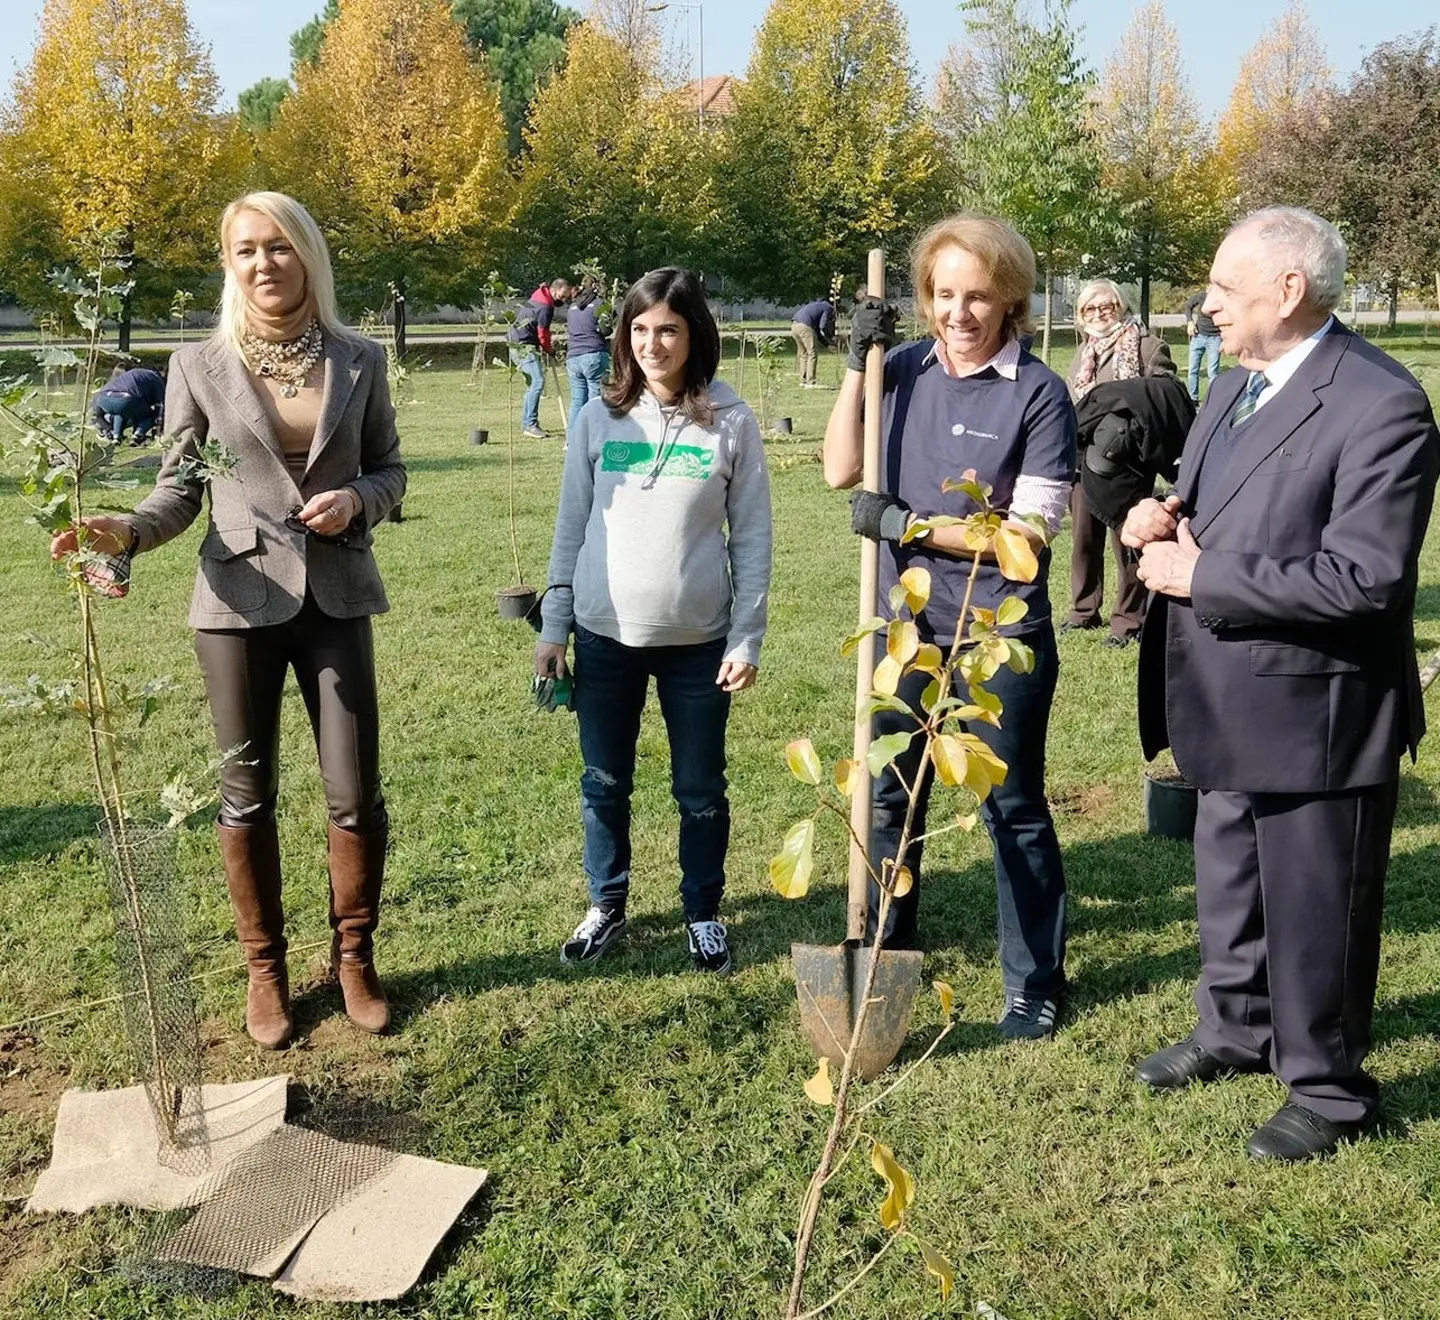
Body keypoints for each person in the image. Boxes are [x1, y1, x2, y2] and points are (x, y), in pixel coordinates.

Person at [51, 191, 407, 1050]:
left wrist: (358, 499)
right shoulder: (198, 366)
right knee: (244, 797)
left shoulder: (359, 358)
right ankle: (266, 972)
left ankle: (352, 960)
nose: (264, 264)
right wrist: (128, 531)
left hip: (336, 599)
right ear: (227, 262)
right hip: (235, 606)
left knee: (354, 795)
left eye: (280, 247)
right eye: (246, 249)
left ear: (308, 255)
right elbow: (180, 488)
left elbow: (392, 471)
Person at [1124, 206, 1439, 1160]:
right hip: (1225, 691)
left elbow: (1367, 580)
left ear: (1289, 291)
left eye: (1224, 287)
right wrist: (1164, 514)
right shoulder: (1234, 380)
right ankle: (1236, 1027)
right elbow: (1216, 495)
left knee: (1316, 905)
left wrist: (1201, 577)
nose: (1207, 304)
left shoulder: (1382, 404)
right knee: (1230, 879)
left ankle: (1330, 1087)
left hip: (1320, 708)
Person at [822, 213, 1075, 1040]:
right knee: (890, 796)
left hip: (998, 631)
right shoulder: (897, 368)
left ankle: (1034, 979)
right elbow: (840, 470)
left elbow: (1026, 543)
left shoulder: (1039, 393)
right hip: (906, 629)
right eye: (942, 294)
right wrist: (857, 372)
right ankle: (890, 943)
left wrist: (911, 527)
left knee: (1011, 805)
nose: (959, 313)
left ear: (1011, 301)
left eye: (978, 296)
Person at [535, 267, 772, 976]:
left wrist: (747, 635)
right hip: (606, 638)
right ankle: (606, 903)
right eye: (638, 329)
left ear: (695, 333)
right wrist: (555, 626)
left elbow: (753, 537)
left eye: (667, 328)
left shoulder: (731, 420)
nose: (652, 343)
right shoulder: (596, 417)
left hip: (699, 647)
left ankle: (703, 912)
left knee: (700, 790)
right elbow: (570, 525)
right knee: (604, 782)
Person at [1063, 278, 1183, 648]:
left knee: (1128, 543)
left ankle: (1128, 620)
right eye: (1089, 309)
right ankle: (1083, 610)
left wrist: (1117, 406)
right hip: (1084, 459)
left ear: (1122, 307)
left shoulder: (1147, 345)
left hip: (1128, 463)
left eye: (1106, 307)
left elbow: (1164, 395)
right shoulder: (1083, 353)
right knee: (1083, 537)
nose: (1098, 315)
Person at [509, 276, 574, 439]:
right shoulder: (545, 307)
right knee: (538, 381)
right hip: (523, 346)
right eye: (562, 295)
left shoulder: (539, 295)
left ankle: (527, 423)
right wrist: (549, 349)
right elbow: (542, 333)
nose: (564, 299)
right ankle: (530, 424)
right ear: (553, 290)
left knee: (533, 384)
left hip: (515, 343)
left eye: (566, 296)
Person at [564, 276, 612, 433]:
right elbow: (606, 329)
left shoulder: (572, 308)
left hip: (573, 357)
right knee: (595, 399)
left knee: (577, 400)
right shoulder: (599, 305)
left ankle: (572, 439)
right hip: (593, 354)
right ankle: (594, 435)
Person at [90, 364, 166, 442]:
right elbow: (160, 407)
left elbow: (97, 414)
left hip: (103, 399)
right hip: (126, 400)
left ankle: (116, 436)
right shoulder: (157, 380)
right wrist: (158, 430)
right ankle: (138, 435)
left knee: (121, 412)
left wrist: (107, 429)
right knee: (151, 415)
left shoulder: (130, 376)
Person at [1184, 287, 1222, 402]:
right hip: (1198, 336)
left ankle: (1211, 400)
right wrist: (1190, 322)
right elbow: (1188, 306)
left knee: (1212, 372)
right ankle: (1193, 398)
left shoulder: (1222, 299)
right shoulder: (1201, 296)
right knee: (1193, 370)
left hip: (1215, 338)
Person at [789, 296, 836, 386]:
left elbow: (817, 331)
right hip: (805, 326)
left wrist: (826, 345)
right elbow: (823, 326)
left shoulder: (817, 306)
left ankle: (803, 380)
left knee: (803, 354)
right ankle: (811, 381)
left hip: (794, 326)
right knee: (812, 354)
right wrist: (830, 337)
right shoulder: (829, 308)